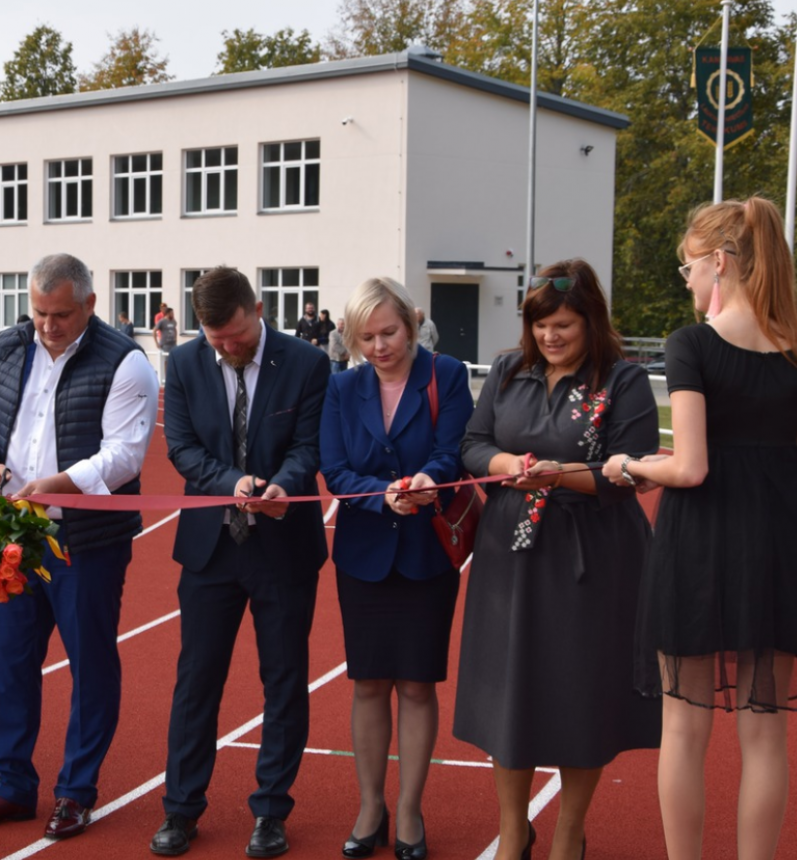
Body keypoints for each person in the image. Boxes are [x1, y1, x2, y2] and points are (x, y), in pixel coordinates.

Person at [603, 197, 797, 860]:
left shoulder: (694, 347)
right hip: (774, 546)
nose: (685, 280)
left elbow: (689, 466)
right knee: (765, 733)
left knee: (684, 730)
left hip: (700, 544)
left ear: (719, 261)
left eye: (688, 266)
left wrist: (630, 464)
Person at [455, 258, 662, 860]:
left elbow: (632, 470)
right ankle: (514, 829)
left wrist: (561, 476)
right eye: (540, 324)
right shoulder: (507, 370)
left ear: (591, 322)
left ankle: (570, 829)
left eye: (564, 325)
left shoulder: (622, 381)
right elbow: (473, 444)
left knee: (582, 693)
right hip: (509, 552)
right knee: (509, 693)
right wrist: (505, 468)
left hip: (592, 557)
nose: (549, 337)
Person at [0, 253, 158, 841]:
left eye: (61, 314)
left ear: (89, 304)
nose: (48, 326)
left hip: (84, 539)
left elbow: (123, 457)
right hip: (12, 527)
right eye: (39, 313)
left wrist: (61, 484)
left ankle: (75, 791)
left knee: (90, 662)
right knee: (8, 663)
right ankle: (10, 784)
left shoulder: (126, 362)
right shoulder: (5, 348)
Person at [151, 266, 331, 859]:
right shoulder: (183, 364)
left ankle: (271, 812)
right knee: (195, 680)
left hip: (284, 546)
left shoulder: (305, 362)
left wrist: (281, 485)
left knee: (283, 680)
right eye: (215, 337)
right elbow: (182, 448)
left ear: (257, 309)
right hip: (210, 549)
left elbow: (309, 445)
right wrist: (235, 483)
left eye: (235, 334)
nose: (227, 348)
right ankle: (181, 809)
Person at [320, 278, 473, 860]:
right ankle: (370, 805)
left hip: (426, 553)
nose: (380, 347)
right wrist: (379, 494)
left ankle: (409, 809)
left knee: (415, 683)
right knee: (367, 683)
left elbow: (452, 449)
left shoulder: (447, 374)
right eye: (368, 337)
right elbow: (334, 471)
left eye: (389, 333)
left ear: (411, 324)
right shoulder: (342, 388)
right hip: (363, 554)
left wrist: (430, 478)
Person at [153, 307, 177, 380]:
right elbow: (154, 331)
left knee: (174, 360)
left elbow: (175, 329)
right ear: (167, 314)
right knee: (166, 361)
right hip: (165, 344)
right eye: (172, 313)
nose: (173, 314)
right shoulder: (162, 322)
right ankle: (167, 378)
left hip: (173, 344)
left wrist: (176, 338)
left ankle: (174, 377)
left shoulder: (173, 321)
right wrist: (156, 342)